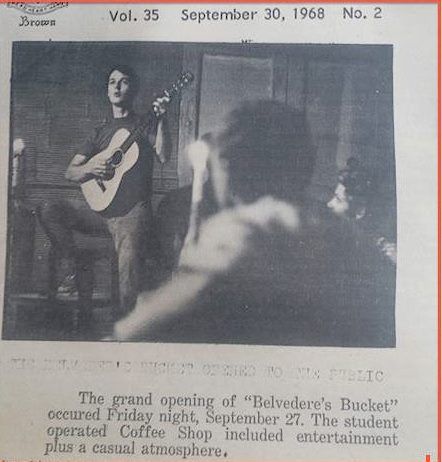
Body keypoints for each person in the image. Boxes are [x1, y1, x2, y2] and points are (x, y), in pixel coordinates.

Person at [112, 100, 395, 347]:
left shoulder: (239, 236)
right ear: (305, 163)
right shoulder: (347, 236)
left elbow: (132, 336)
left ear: (228, 171)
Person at [41, 64, 171, 321]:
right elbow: (70, 172)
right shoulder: (100, 132)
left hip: (130, 213)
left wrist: (163, 118)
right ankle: (73, 264)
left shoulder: (145, 124)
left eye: (123, 81)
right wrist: (91, 166)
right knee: (49, 208)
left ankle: (126, 330)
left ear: (132, 88)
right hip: (98, 212)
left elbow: (164, 156)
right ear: (107, 89)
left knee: (128, 274)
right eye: (112, 81)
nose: (117, 86)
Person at [327, 157, 397, 265]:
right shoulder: (340, 233)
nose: (329, 204)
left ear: (359, 206)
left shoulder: (379, 244)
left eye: (338, 199)